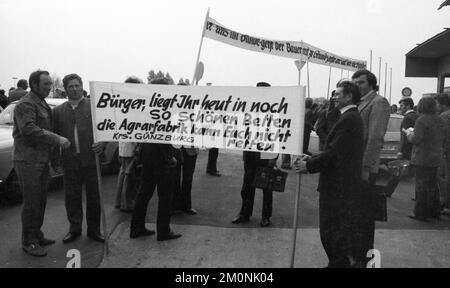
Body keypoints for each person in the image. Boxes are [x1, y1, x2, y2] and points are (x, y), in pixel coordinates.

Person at [294, 81, 365, 268]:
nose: (334, 97)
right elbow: (336, 149)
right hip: (340, 183)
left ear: (349, 96)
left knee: (330, 229)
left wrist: (308, 165)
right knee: (334, 229)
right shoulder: (348, 116)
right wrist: (311, 157)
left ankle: (337, 264)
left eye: (337, 94)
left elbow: (335, 153)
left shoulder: (349, 118)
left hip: (337, 184)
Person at [13, 70, 70, 257]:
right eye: (45, 84)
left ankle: (36, 234)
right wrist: (57, 139)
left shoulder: (42, 103)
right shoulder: (26, 104)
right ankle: (29, 241)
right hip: (28, 161)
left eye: (49, 83)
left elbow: (47, 130)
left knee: (41, 200)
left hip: (41, 161)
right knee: (31, 202)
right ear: (34, 85)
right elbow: (29, 130)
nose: (49, 87)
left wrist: (54, 160)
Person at [52, 73, 105, 244]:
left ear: (82, 86)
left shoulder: (94, 107)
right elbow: (54, 138)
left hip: (91, 159)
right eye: (70, 86)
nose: (74, 89)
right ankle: (74, 229)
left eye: (77, 85)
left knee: (94, 197)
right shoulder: (58, 111)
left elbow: (107, 129)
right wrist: (55, 160)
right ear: (65, 89)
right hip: (70, 161)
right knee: (72, 196)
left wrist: (102, 144)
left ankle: (94, 230)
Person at [130, 76, 182, 241]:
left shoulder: (146, 105)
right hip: (161, 157)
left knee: (144, 193)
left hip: (147, 156)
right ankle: (163, 231)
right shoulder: (165, 106)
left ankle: (136, 228)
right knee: (165, 196)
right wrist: (170, 156)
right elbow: (163, 135)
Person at [352, 69, 390, 264]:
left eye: (361, 82)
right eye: (355, 82)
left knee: (364, 216)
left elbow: (375, 138)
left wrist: (366, 167)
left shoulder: (378, 102)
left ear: (371, 84)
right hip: (354, 166)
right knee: (355, 213)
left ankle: (363, 257)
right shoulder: (359, 103)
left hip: (365, 167)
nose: (357, 85)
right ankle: (356, 253)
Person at [232, 82, 278, 227]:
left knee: (267, 188)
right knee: (247, 187)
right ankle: (245, 213)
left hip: (266, 155)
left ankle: (266, 216)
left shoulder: (274, 110)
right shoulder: (248, 109)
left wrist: (274, 156)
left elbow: (278, 134)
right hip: (250, 154)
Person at [407, 97, 445, 221]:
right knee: (433, 185)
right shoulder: (439, 119)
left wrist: (409, 134)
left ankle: (421, 213)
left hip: (422, 156)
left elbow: (416, 139)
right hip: (436, 156)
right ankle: (435, 211)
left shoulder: (421, 120)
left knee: (421, 186)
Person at [114, 76, 142, 213]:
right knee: (128, 174)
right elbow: (133, 126)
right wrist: (137, 143)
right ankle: (126, 203)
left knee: (123, 172)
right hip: (130, 144)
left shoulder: (123, 102)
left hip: (124, 144)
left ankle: (119, 201)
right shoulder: (132, 104)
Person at [172, 82, 199, 216]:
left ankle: (186, 205)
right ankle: (175, 205)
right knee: (175, 178)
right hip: (176, 149)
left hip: (191, 149)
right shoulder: (173, 109)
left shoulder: (195, 109)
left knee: (188, 179)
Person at [384, 97, 418, 197]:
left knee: (397, 171)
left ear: (408, 106)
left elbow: (405, 135)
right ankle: (418, 195)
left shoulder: (407, 118)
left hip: (406, 149)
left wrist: (400, 151)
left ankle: (388, 191)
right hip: (413, 150)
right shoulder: (415, 116)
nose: (400, 108)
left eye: (402, 106)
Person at [437, 93, 450, 215]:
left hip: (446, 152)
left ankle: (446, 204)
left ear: (443, 104)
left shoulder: (444, 117)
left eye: (437, 104)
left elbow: (444, 136)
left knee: (445, 178)